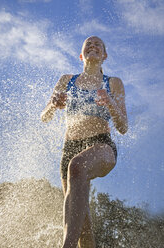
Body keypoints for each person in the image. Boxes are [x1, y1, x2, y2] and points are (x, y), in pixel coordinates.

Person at [41, 36, 128, 248]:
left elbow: (123, 126)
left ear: (104, 55)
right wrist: (53, 105)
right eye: (88, 44)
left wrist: (109, 103)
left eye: (98, 44)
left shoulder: (113, 82)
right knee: (83, 226)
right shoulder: (66, 80)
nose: (93, 46)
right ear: (81, 55)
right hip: (69, 148)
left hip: (101, 144)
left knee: (77, 166)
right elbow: (45, 116)